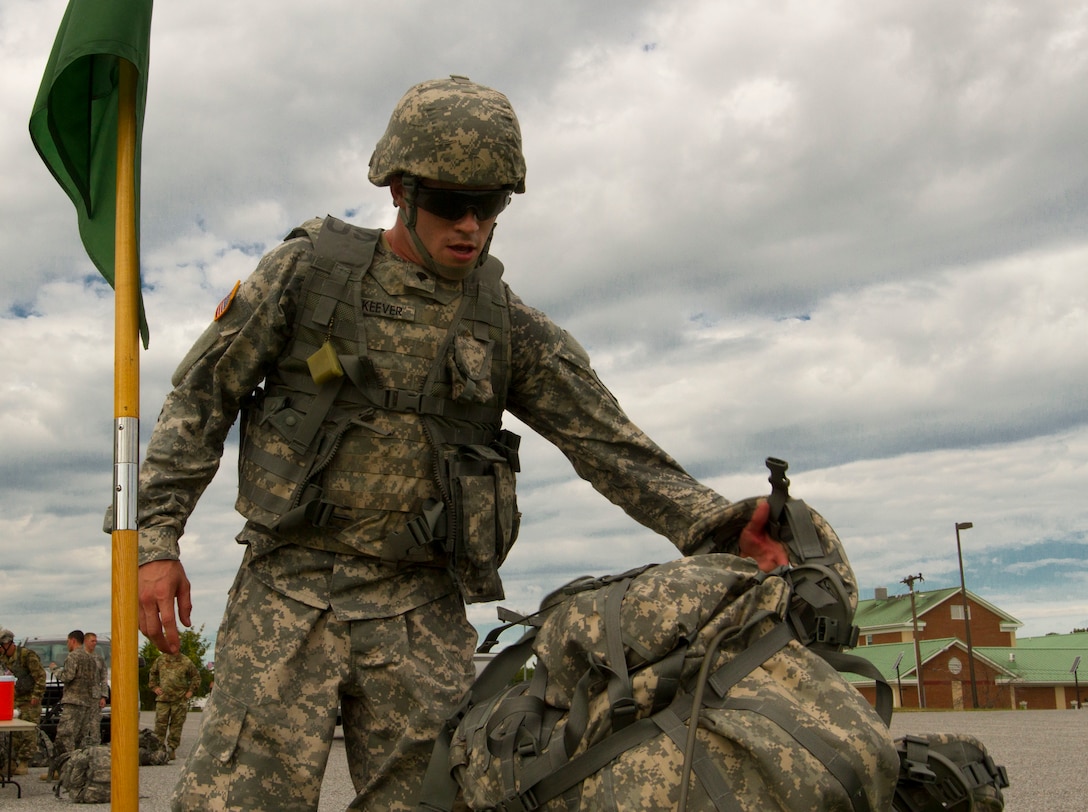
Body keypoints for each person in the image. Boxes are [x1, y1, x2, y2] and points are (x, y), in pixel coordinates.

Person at [136, 75, 779, 811]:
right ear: (399, 192)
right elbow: (200, 398)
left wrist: (722, 526)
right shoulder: (309, 275)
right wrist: (155, 542)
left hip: (421, 612)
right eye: (447, 204)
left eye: (490, 205)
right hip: (288, 595)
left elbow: (607, 441)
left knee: (438, 803)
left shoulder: (504, 324)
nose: (469, 225)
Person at [43, 630, 98, 780]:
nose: (67, 644)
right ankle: (79, 773)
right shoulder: (90, 658)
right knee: (80, 739)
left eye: (68, 641)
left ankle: (62, 771)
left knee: (64, 738)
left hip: (73, 702)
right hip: (86, 703)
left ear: (73, 640)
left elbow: (68, 676)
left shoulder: (73, 656)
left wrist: (55, 669)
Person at [0, 628, 46, 776]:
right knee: (13, 733)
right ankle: (11, 762)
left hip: (29, 700)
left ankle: (24, 762)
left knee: (28, 733)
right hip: (14, 700)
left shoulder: (26, 656)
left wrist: (36, 695)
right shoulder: (3, 658)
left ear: (7, 643)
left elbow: (40, 676)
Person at [148, 651, 200, 761]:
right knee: (160, 725)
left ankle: (172, 748)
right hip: (163, 699)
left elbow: (196, 676)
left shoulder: (186, 661)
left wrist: (190, 692)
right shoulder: (160, 660)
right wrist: (155, 687)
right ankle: (159, 749)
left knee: (176, 726)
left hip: (180, 700)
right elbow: (152, 673)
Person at [82, 632, 109, 747]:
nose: (94, 643)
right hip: (81, 695)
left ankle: (95, 746)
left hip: (95, 695)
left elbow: (103, 678)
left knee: (94, 723)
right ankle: (81, 747)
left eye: (95, 641)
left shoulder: (98, 659)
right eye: (92, 641)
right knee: (82, 723)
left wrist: (103, 696)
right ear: (86, 641)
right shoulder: (79, 657)